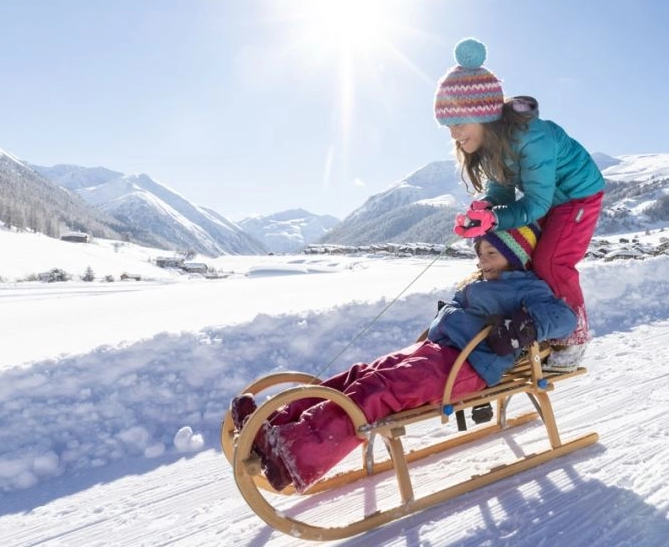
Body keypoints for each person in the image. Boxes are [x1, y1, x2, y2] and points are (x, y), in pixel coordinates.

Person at [230, 223, 577, 493]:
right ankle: (273, 424)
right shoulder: (479, 281)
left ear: (515, 256)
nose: (482, 259)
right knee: (361, 374)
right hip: (437, 352)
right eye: (480, 252)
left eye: (491, 253)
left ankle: (295, 454)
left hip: (468, 366)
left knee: (378, 390)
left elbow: (564, 318)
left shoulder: (526, 287)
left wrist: (523, 328)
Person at [434, 37, 605, 372]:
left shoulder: (531, 138)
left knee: (551, 261)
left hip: (578, 196)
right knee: (523, 257)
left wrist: (496, 220)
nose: (454, 134)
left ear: (483, 116)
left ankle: (573, 337)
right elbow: (500, 192)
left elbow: (537, 203)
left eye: (459, 124)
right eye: (448, 127)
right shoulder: (492, 145)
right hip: (549, 199)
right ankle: (533, 328)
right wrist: (483, 211)